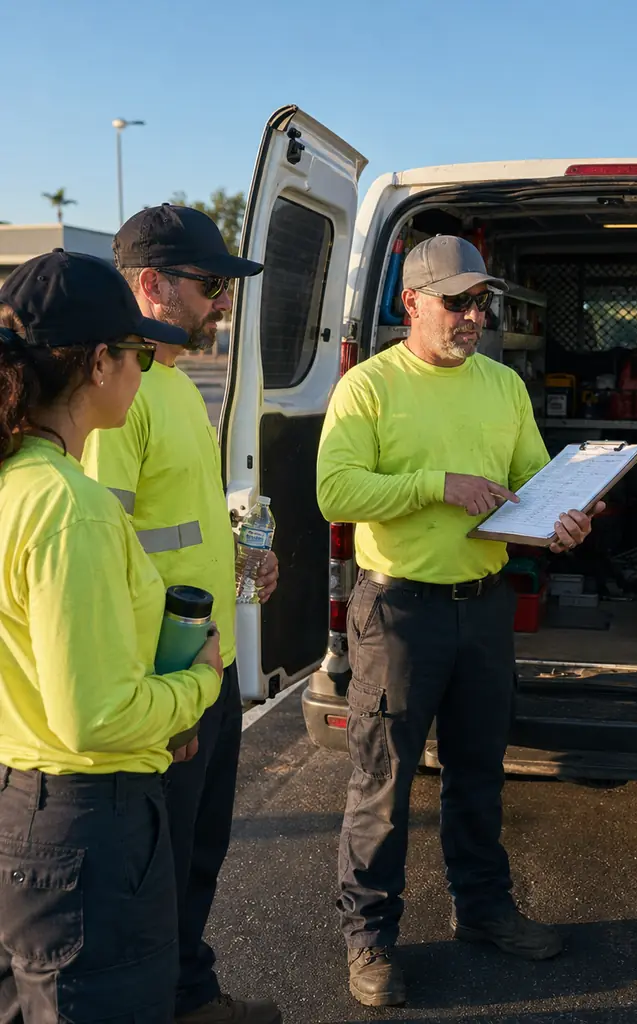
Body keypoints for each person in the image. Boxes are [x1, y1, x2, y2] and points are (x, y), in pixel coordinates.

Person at [317, 235, 601, 1007]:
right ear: (412, 303)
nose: (475, 315)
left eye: (483, 302)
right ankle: (370, 939)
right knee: (383, 782)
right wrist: (439, 485)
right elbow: (335, 492)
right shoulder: (369, 387)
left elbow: (529, 490)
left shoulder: (503, 386)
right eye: (458, 301)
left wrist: (562, 521)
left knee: (478, 776)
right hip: (400, 611)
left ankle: (483, 911)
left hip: (482, 608)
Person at [0, 250, 223, 1022]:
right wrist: (197, 684)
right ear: (99, 362)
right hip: (87, 828)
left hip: (23, 803)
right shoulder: (72, 507)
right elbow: (93, 715)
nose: (143, 367)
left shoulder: (16, 481)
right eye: (134, 352)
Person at [82, 205, 281, 1024]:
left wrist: (239, 555)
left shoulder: (163, 384)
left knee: (200, 852)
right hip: (168, 684)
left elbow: (174, 530)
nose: (221, 303)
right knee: (152, 872)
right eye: (209, 286)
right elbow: (102, 560)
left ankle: (188, 993)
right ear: (149, 283)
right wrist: (159, 698)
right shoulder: (115, 398)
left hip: (207, 670)